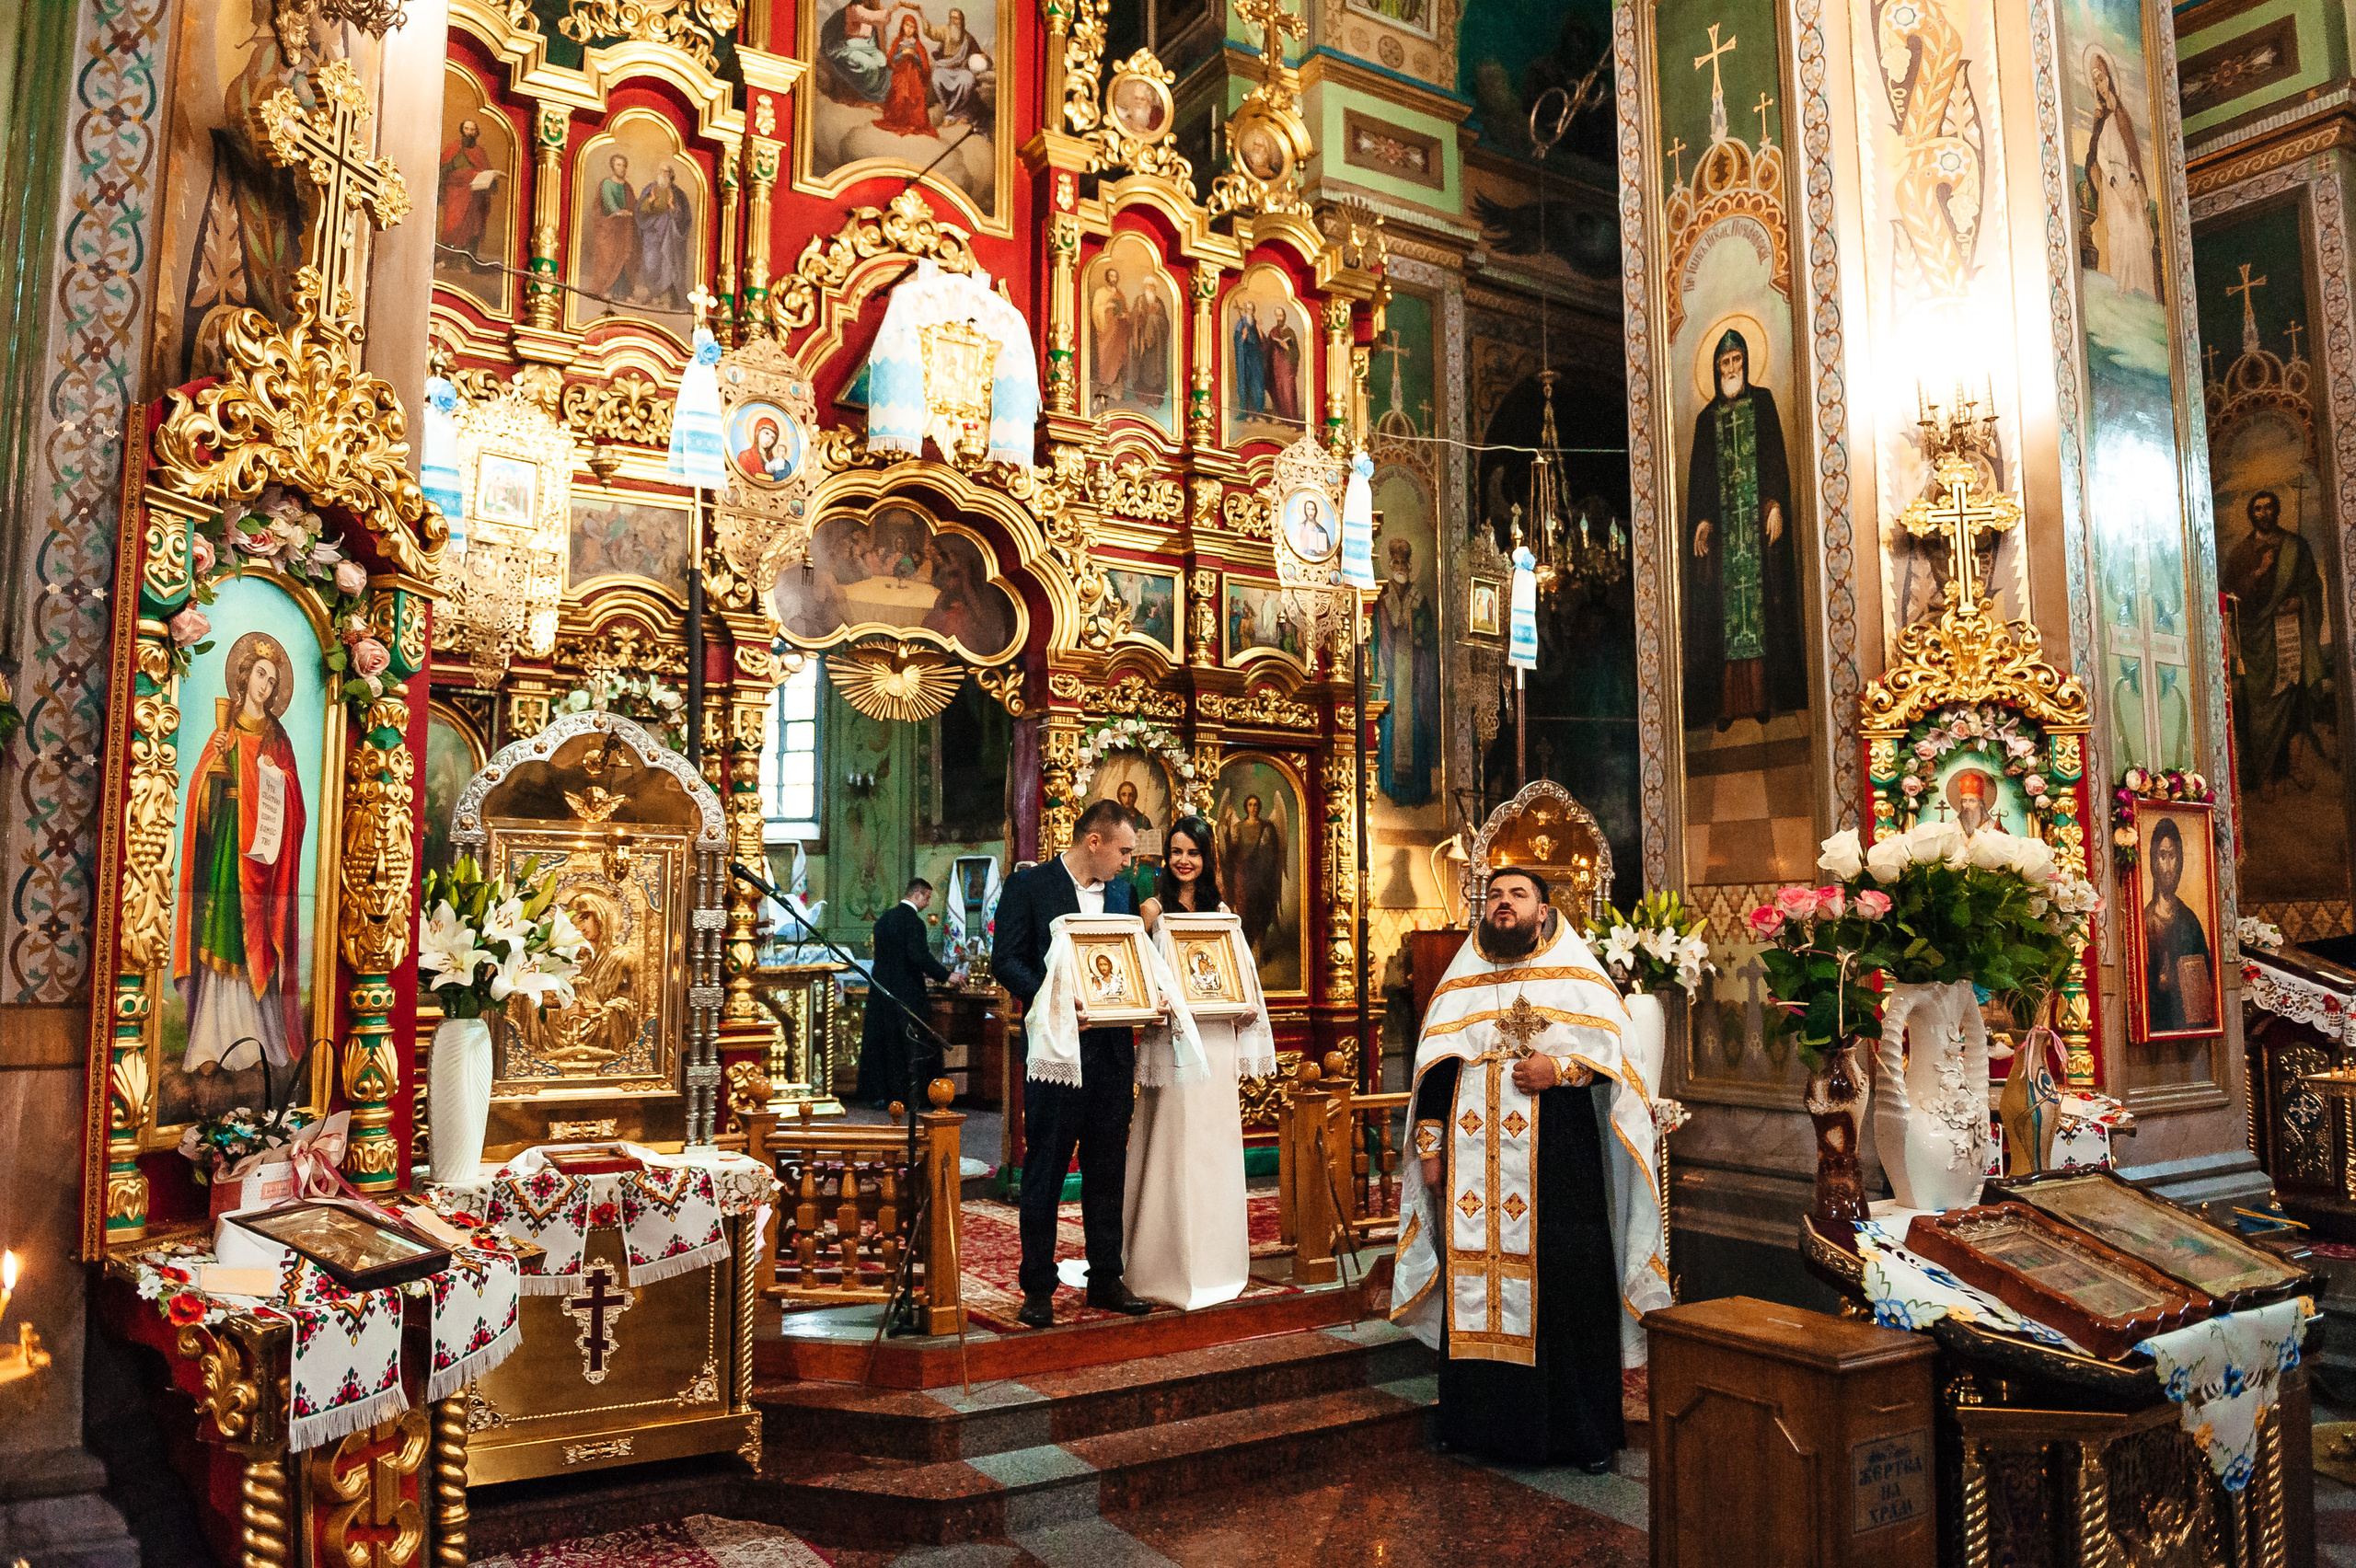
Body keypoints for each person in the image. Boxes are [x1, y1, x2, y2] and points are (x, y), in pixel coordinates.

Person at [1394, 869, 1668, 1469]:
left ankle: (1578, 1435)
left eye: (1517, 895)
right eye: (1494, 896)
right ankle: (1475, 1426)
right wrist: (1432, 1149)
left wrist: (1560, 1071)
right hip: (1471, 1168)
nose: (1503, 905)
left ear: (1544, 912)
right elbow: (1436, 1070)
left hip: (1558, 1162)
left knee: (1567, 1284)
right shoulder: (1461, 980)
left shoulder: (1579, 977)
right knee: (1476, 1285)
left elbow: (1615, 1058)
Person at [994, 800, 1163, 1325]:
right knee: (1045, 1166)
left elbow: (1129, 963)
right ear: (1095, 841)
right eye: (1124, 850)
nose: (1128, 863)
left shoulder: (1121, 893)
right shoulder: (1029, 887)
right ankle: (1038, 1287)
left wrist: (1148, 997)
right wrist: (1054, 999)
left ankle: (1106, 1277)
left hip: (1112, 1052)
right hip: (1057, 1051)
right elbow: (1007, 961)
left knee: (1107, 1167)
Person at [1125, 818, 1272, 1309]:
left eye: (1193, 852)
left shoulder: (1222, 912)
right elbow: (1136, 968)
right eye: (1175, 851)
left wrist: (1246, 1005)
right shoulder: (1152, 908)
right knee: (1172, 1142)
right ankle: (1158, 1263)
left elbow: (1239, 976)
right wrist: (1145, 925)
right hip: (1172, 1039)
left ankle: (1215, 1262)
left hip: (1216, 1038)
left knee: (1212, 1147)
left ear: (1208, 858)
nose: (1183, 860)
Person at [175, 634, 307, 1078]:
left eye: (273, 680)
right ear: (244, 676)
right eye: (261, 675)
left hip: (262, 855)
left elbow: (296, 801)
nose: (266, 685)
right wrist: (214, 769)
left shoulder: (277, 736)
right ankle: (211, 1043)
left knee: (257, 937)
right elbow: (200, 797)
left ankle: (260, 1041)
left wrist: (277, 779)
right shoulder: (226, 729)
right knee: (221, 929)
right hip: (227, 844)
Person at [1682, 327, 1803, 731]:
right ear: (1716, 369)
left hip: (1755, 533)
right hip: (1725, 542)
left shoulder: (1763, 403)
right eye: (1724, 362)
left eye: (1736, 360)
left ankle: (1764, 698)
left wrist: (1775, 506)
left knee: (1764, 608)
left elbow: (1774, 462)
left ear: (1746, 363)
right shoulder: (1705, 420)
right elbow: (1700, 482)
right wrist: (1701, 521)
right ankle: (1727, 706)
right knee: (1723, 615)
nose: (1731, 368)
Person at [2224, 488, 2331, 798]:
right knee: (2262, 709)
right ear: (2251, 514)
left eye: (2269, 508)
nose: (2264, 513)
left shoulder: (2296, 546)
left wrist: (2301, 600)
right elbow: (2232, 598)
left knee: (2296, 702)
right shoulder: (2241, 553)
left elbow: (2312, 586)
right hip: (2259, 640)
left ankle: (2294, 767)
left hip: (2291, 633)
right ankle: (2266, 775)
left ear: (2277, 511)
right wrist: (2260, 570)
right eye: (2258, 509)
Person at [855, 878, 960, 1108]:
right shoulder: (914, 923)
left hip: (882, 990)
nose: (928, 904)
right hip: (906, 993)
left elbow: (891, 956)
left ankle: (881, 1094)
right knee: (909, 1042)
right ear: (918, 894)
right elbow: (918, 956)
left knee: (883, 1042)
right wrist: (946, 975)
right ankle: (909, 1095)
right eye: (928, 898)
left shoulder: (883, 919)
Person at [1375, 536, 1440, 806]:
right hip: (1391, 670)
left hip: (1414, 671)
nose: (1400, 567)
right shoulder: (1382, 598)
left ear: (1410, 566)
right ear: (1391, 565)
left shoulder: (1420, 598)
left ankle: (1416, 791)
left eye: (1404, 562)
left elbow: (1430, 633)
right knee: (1391, 724)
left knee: (1415, 725)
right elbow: (1378, 632)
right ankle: (1393, 789)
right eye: (1396, 562)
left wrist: (1419, 635)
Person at [2085, 52, 2155, 298]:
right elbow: (2099, 157)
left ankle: (2143, 291)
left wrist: (2132, 185)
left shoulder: (2122, 115)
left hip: (2130, 184)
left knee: (2136, 234)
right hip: (2113, 186)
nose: (2100, 86)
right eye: (2096, 82)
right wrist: (2116, 186)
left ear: (2110, 79)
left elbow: (2132, 156)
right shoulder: (2100, 120)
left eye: (2102, 79)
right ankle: (2122, 292)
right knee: (2120, 236)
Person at [2142, 819, 2215, 1032]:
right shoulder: (2143, 921)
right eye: (2161, 856)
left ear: (2181, 860)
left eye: (2172, 856)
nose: (2167, 867)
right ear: (2153, 861)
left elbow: (2206, 978)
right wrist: (2159, 983)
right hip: (2157, 1024)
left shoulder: (2189, 920)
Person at [1217, 790, 1286, 961]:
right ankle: (1244, 951)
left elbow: (1272, 853)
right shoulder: (1238, 827)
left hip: (1260, 877)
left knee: (1260, 911)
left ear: (1259, 807)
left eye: (1255, 805)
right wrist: (1226, 831)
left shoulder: (1267, 827)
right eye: (1250, 805)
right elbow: (1231, 851)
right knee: (1243, 910)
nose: (1253, 808)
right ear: (1246, 807)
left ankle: (1258, 950)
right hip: (1241, 874)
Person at [435, 118, 501, 269]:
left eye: (472, 130)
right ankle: (447, 259)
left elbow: (486, 170)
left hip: (475, 198)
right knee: (453, 228)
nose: (470, 133)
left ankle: (466, 261)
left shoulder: (480, 152)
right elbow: (444, 171)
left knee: (472, 229)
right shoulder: (452, 148)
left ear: (476, 132)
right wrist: (468, 174)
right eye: (467, 129)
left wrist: (492, 180)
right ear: (462, 131)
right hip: (456, 195)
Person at [632, 165, 693, 311]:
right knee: (651, 263)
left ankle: (665, 297)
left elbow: (684, 218)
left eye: (666, 173)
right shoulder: (650, 189)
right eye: (661, 172)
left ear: (671, 176)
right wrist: (651, 200)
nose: (663, 175)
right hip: (651, 234)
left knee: (667, 265)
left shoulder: (679, 194)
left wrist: (671, 205)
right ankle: (654, 296)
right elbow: (640, 211)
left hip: (669, 237)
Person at [583, 153, 638, 299]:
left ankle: (624, 293)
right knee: (608, 257)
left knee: (625, 257)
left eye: (624, 165)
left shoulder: (627, 187)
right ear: (613, 167)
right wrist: (618, 212)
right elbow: (607, 200)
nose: (622, 168)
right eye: (619, 165)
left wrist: (634, 212)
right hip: (609, 225)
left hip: (624, 228)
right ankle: (604, 289)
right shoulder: (607, 183)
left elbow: (633, 204)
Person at [874, 15, 937, 137]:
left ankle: (913, 122)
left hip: (914, 76)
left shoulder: (918, 45)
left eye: (912, 27)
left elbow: (924, 66)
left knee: (914, 96)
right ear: (902, 26)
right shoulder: (898, 42)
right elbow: (891, 60)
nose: (909, 29)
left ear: (915, 29)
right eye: (907, 25)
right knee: (900, 94)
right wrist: (903, 53)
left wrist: (914, 55)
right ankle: (898, 121)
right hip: (900, 74)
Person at [1091, 267, 1130, 412]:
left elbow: (1124, 312)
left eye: (1115, 276)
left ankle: (1114, 389)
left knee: (1118, 358)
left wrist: (1125, 316)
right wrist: (1106, 306)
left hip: (1118, 333)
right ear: (1107, 277)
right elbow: (1095, 310)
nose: (1113, 278)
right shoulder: (1101, 292)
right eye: (1111, 276)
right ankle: (1103, 385)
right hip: (1106, 331)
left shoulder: (1120, 294)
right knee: (1105, 356)